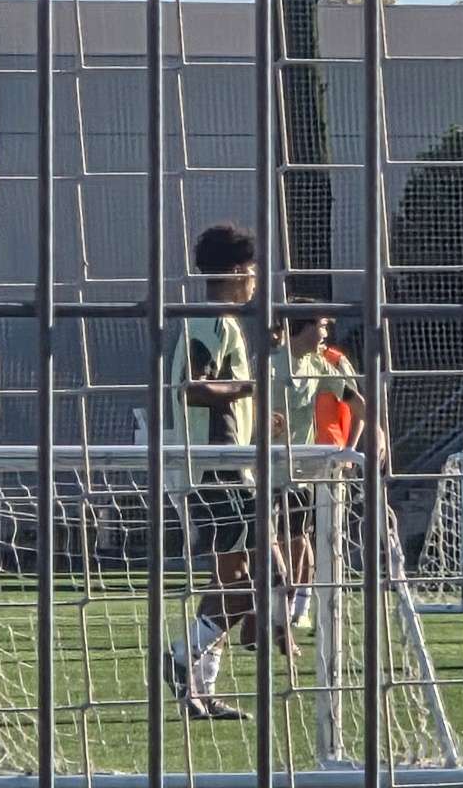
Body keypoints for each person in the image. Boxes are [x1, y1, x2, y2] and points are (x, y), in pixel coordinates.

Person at [164, 223, 289, 721]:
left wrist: (255, 404)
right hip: (216, 468)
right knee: (267, 575)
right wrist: (249, 390)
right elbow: (195, 388)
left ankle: (199, 688)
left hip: (220, 465)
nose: (256, 279)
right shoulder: (211, 320)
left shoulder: (221, 323)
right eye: (253, 270)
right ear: (238, 271)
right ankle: (182, 656)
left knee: (233, 579)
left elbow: (223, 386)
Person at [270, 301, 378, 629]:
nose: (326, 332)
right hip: (258, 472)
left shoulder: (320, 364)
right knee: (263, 545)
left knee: (300, 539)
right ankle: (270, 606)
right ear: (302, 327)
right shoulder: (270, 361)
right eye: (321, 325)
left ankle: (293, 608)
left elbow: (353, 399)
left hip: (300, 472)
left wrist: (376, 431)